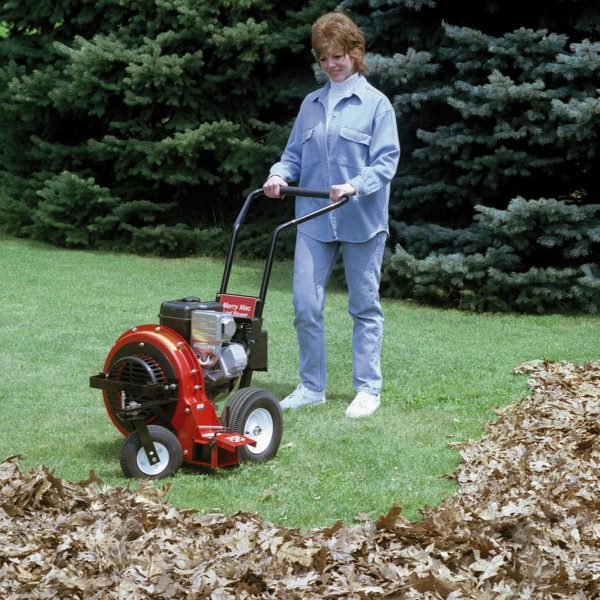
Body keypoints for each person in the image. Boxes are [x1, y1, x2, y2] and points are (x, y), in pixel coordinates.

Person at [263, 11, 400, 418]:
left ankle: (368, 389)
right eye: (324, 58)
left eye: (338, 55)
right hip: (313, 220)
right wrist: (277, 175)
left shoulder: (377, 105)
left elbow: (386, 161)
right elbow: (292, 157)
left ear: (356, 53)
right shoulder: (311, 104)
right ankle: (311, 387)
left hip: (361, 220)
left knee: (363, 306)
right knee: (305, 304)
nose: (331, 64)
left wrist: (356, 184)